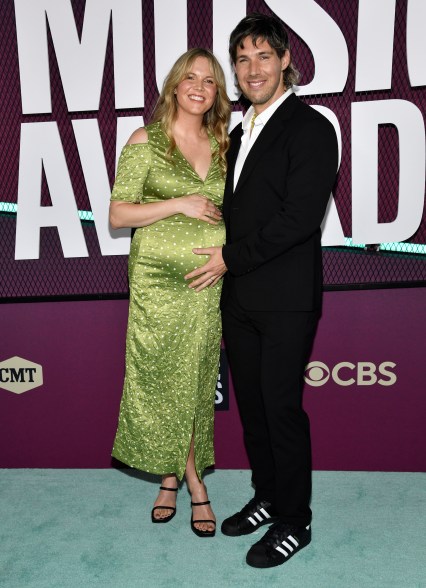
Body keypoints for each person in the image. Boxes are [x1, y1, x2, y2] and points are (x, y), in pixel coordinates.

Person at [184, 14, 338, 565]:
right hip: (240, 297)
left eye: (263, 57)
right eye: (242, 59)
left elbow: (297, 219)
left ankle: (296, 520)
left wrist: (228, 257)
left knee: (281, 408)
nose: (253, 69)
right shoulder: (237, 131)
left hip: (285, 297)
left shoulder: (312, 127)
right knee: (252, 407)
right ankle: (268, 496)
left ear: (285, 61)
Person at [109, 48, 230, 538]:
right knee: (162, 376)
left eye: (210, 80)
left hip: (208, 280)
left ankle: (171, 478)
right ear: (175, 85)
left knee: (196, 377)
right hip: (158, 279)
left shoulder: (225, 143)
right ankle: (190, 481)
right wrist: (180, 201)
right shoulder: (147, 140)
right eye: (191, 77)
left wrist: (231, 254)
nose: (199, 86)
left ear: (217, 92)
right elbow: (119, 214)